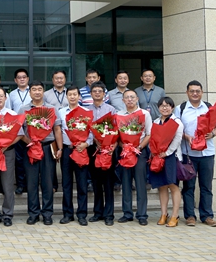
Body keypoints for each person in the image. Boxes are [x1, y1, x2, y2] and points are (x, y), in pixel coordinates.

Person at [174, 80, 216, 227]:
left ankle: (207, 216)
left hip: (207, 154)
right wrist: (186, 136)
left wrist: (212, 134)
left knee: (206, 186)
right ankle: (190, 216)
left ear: (202, 92)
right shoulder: (180, 109)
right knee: (188, 186)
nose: (195, 93)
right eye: (192, 91)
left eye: (197, 91)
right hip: (188, 154)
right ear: (187, 92)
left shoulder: (209, 108)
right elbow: (175, 129)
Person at [19, 81, 63, 226]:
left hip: (47, 147)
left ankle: (47, 213)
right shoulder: (24, 109)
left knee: (47, 183)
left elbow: (57, 129)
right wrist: (29, 141)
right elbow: (19, 130)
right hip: (30, 148)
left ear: (43, 91)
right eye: (34, 89)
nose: (37, 92)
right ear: (30, 92)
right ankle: (33, 213)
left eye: (39, 89)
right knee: (31, 183)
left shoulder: (51, 109)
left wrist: (60, 148)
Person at [0, 87, 24, 227]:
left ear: (6, 98)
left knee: (7, 185)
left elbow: (20, 134)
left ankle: (7, 214)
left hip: (7, 152)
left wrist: (6, 145)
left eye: (1, 96)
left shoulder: (12, 114)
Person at [117, 89, 152, 226]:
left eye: (132, 97)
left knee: (140, 183)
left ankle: (142, 214)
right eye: (127, 97)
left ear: (137, 99)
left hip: (139, 152)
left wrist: (139, 147)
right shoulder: (118, 115)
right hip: (125, 152)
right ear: (123, 100)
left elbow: (149, 134)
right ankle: (127, 213)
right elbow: (116, 136)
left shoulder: (144, 114)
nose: (130, 99)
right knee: (126, 183)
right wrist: (124, 146)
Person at [58, 85, 91, 226]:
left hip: (81, 150)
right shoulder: (61, 112)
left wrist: (86, 144)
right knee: (66, 184)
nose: (72, 97)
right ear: (66, 96)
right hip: (67, 149)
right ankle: (67, 214)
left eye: (74, 94)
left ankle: (82, 214)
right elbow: (58, 131)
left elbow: (91, 132)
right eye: (70, 94)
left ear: (79, 96)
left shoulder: (86, 112)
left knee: (82, 183)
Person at [86, 81, 117, 226]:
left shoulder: (111, 110)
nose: (97, 93)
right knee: (96, 181)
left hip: (108, 149)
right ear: (91, 94)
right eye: (95, 91)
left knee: (108, 183)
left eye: (100, 91)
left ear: (104, 94)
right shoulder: (86, 111)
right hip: (93, 148)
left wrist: (111, 145)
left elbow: (116, 130)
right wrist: (94, 140)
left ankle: (109, 214)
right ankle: (97, 212)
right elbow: (85, 130)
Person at [150, 96, 184, 228]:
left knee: (173, 186)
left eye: (167, 105)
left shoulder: (177, 122)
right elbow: (152, 138)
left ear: (172, 107)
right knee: (162, 186)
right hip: (157, 156)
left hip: (171, 157)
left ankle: (175, 215)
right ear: (158, 108)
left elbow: (177, 140)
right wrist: (154, 151)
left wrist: (167, 152)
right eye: (162, 106)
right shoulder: (156, 121)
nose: (165, 108)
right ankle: (164, 214)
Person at [8, 69, 31, 195]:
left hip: (32, 129)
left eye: (24, 77)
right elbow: (9, 111)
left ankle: (30, 183)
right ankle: (21, 184)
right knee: (19, 159)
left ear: (28, 79)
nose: (22, 79)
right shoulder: (11, 95)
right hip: (17, 130)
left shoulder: (33, 91)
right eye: (19, 77)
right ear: (15, 80)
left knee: (32, 157)